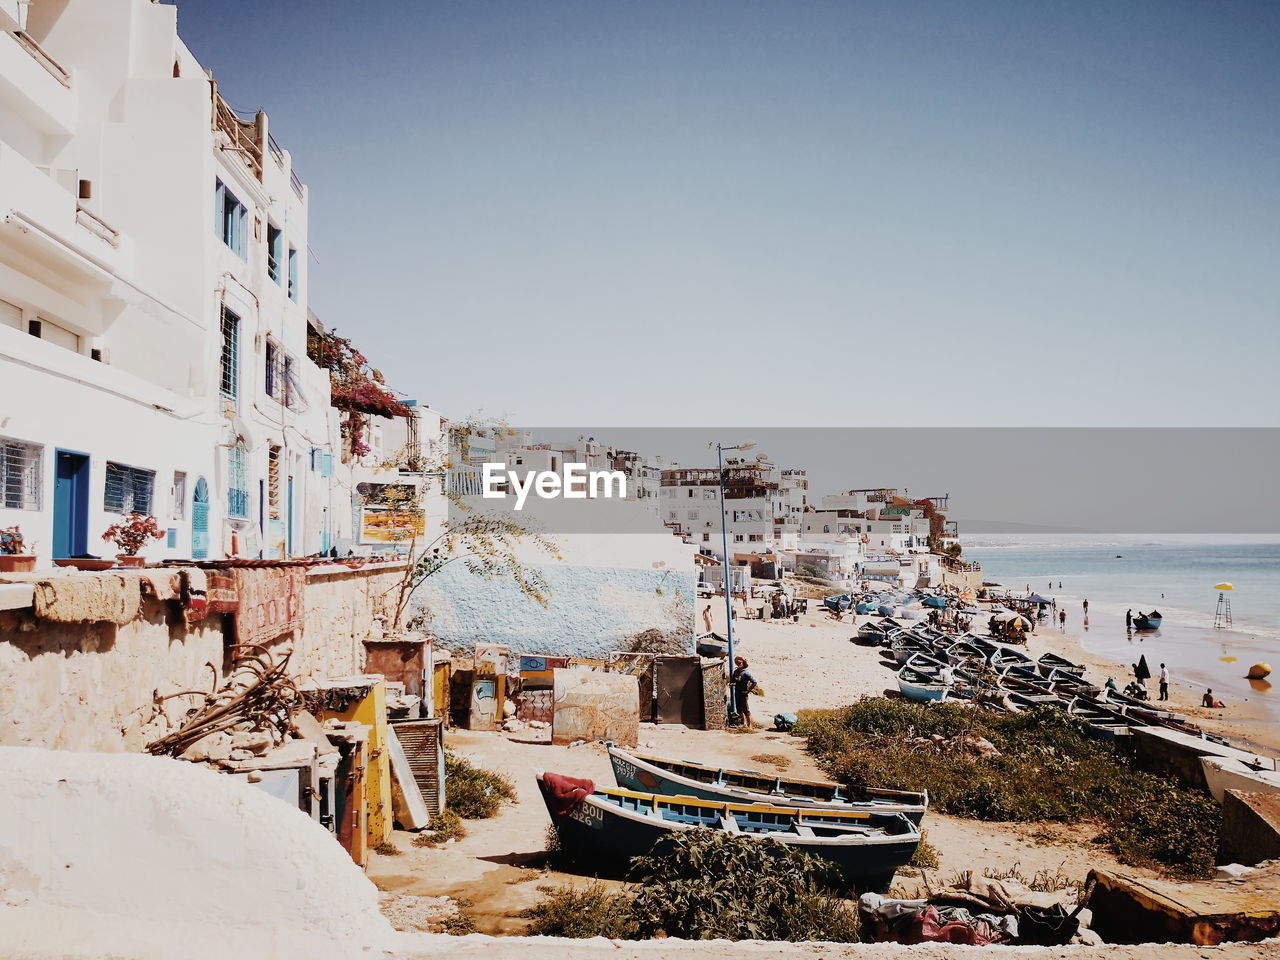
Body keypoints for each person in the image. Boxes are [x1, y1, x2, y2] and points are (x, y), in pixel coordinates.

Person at [731, 656, 759, 728]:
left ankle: (749, 724)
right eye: (737, 663)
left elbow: (754, 682)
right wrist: (732, 684)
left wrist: (748, 691)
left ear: (743, 663)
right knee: (739, 709)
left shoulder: (746, 673)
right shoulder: (736, 672)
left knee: (745, 709)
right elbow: (734, 681)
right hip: (737, 692)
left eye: (740, 663)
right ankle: (744, 723)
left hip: (743, 693)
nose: (739, 664)